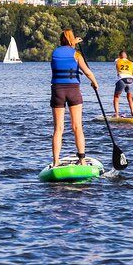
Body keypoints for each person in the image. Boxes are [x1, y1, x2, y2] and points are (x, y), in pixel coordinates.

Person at [50, 29, 98, 167]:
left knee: (58, 128)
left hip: (58, 91)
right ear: (71, 41)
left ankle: (56, 162)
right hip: (73, 91)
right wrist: (94, 83)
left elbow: (64, 53)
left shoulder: (54, 53)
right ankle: (82, 160)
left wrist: (72, 43)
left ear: (61, 40)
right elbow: (87, 72)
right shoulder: (76, 54)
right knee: (77, 127)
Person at [113, 50, 133, 117]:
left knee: (116, 97)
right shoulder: (131, 63)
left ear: (120, 56)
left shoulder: (117, 60)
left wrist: (119, 57)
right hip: (130, 80)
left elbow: (115, 63)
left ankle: (116, 114)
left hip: (121, 79)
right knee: (130, 98)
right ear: (126, 56)